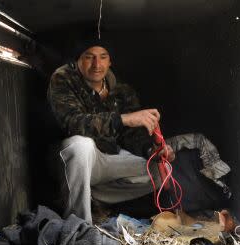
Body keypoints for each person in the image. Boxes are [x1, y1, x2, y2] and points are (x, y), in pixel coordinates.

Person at [47, 39, 177, 221]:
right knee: (81, 145)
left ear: (110, 61)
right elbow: (74, 123)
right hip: (74, 160)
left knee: (161, 170)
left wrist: (151, 150)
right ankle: (79, 224)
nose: (96, 64)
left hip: (107, 158)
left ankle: (91, 196)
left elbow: (130, 135)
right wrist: (122, 119)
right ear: (78, 60)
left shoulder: (120, 90)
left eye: (103, 57)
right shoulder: (63, 78)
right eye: (89, 57)